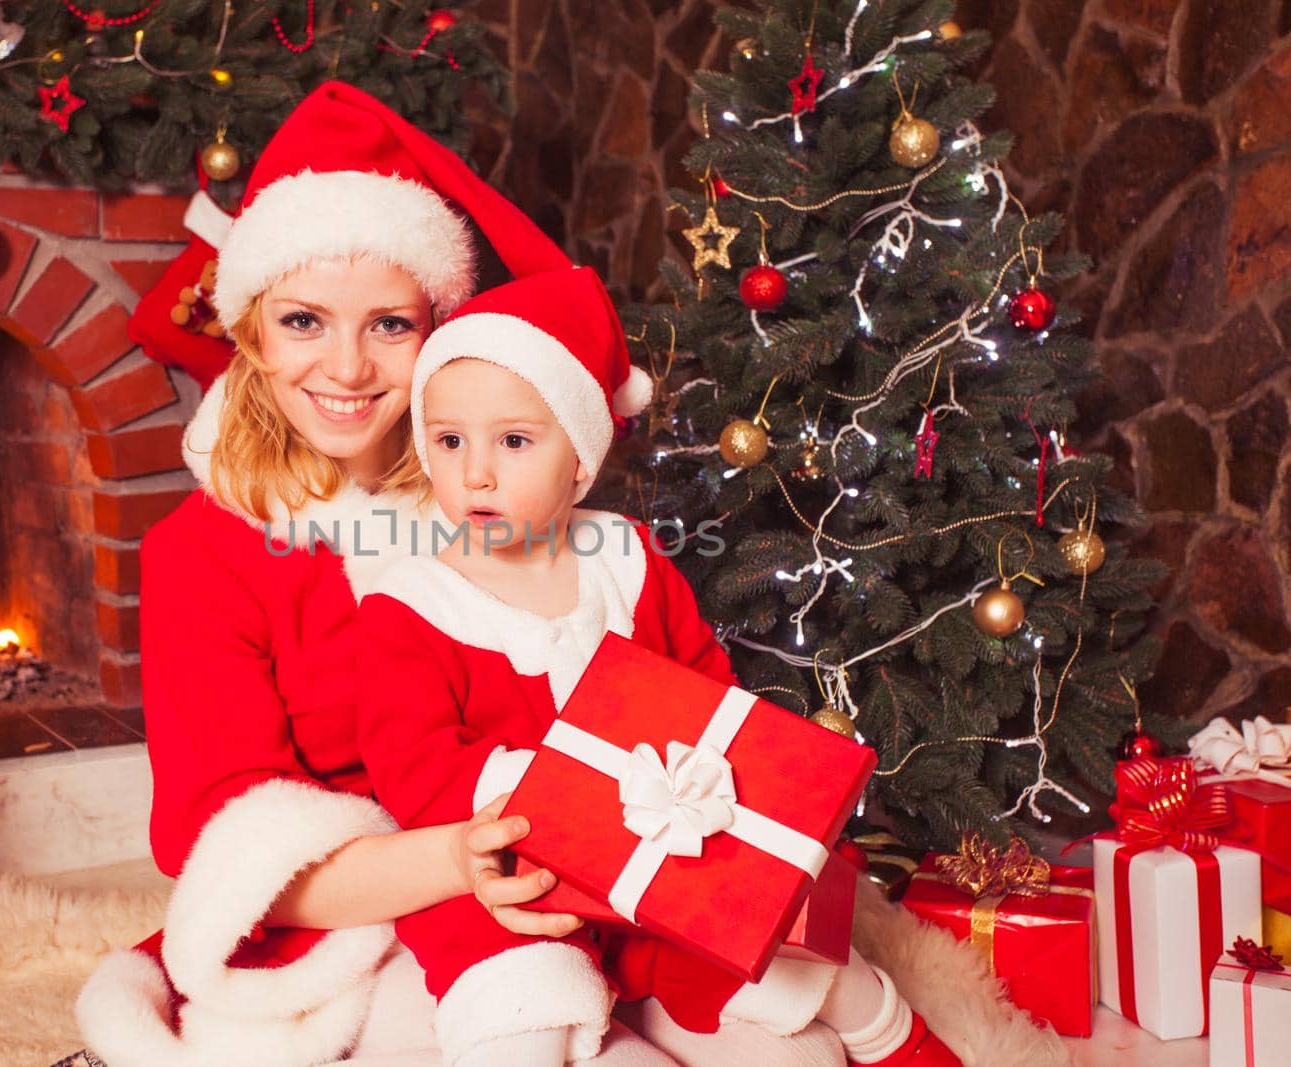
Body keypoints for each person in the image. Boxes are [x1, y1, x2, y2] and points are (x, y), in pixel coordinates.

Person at [73, 82, 684, 1067]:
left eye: (388, 326)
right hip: (364, 908)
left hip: (561, 870)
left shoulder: (496, 502)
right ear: (253, 336)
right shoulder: (206, 550)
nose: (347, 368)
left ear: (438, 330)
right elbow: (231, 846)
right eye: (305, 321)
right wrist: (454, 861)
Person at [353, 265, 962, 1067]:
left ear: (579, 460)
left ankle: (894, 1039)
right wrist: (559, 791)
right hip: (512, 876)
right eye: (449, 440)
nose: (475, 473)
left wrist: (702, 784)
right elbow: (415, 767)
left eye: (513, 441)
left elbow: (707, 689)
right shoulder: (411, 601)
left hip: (657, 862)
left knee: (792, 991)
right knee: (516, 1018)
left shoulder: (623, 558)